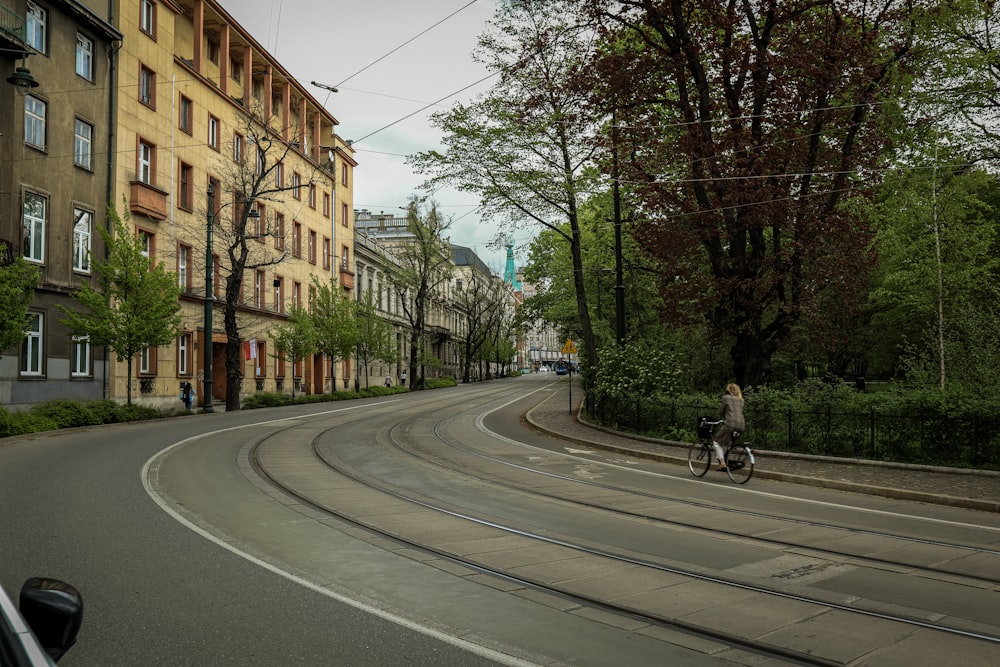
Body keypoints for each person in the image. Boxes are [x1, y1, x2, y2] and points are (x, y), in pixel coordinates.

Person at [713, 383, 744, 471]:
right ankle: (729, 461)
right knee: (729, 443)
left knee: (717, 442)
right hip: (741, 424)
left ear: (729, 390)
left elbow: (721, 411)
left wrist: (723, 415)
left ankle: (722, 463)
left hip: (730, 424)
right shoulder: (741, 400)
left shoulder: (726, 398)